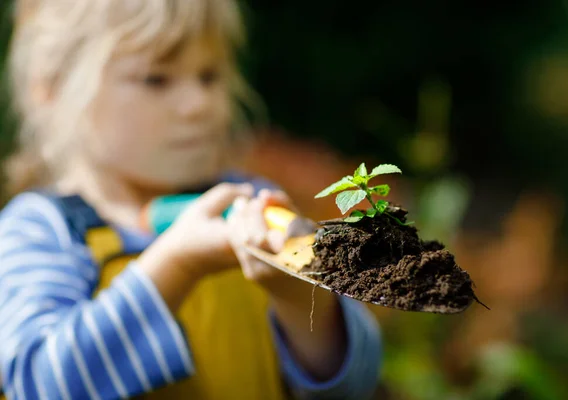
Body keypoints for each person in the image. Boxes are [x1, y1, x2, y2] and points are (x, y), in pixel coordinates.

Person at [0, 0, 382, 399]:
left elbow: (357, 383)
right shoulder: (43, 231)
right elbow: (40, 385)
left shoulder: (252, 203)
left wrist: (300, 296)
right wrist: (176, 267)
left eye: (209, 76)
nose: (199, 104)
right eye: (155, 79)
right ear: (51, 88)